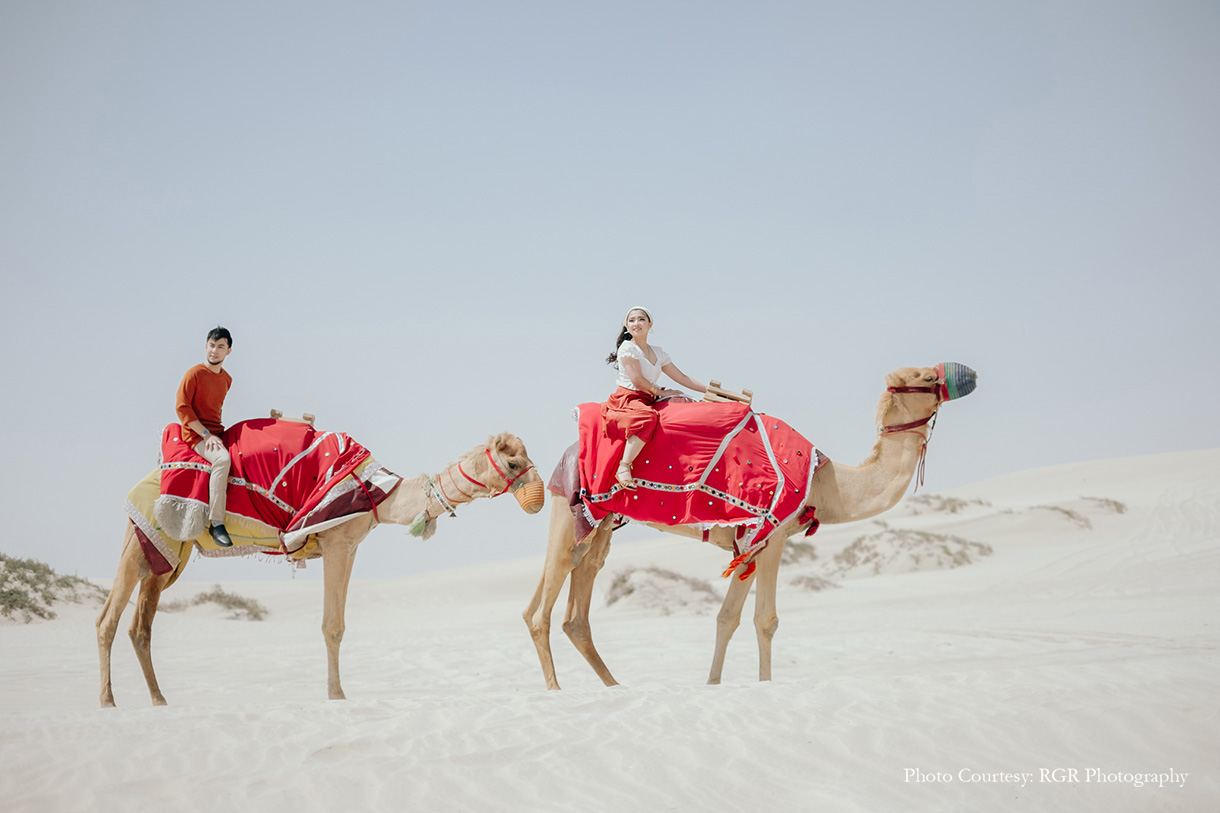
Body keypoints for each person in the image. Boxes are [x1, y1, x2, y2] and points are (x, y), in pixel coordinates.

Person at [602, 306, 707, 489]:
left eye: (641, 319)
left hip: (651, 395)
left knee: (684, 402)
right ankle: (624, 466)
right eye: (632, 320)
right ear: (626, 326)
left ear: (650, 324)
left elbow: (681, 377)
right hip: (630, 398)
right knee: (647, 418)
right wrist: (662, 392)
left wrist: (708, 389)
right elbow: (638, 380)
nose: (637, 324)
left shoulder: (658, 352)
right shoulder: (627, 349)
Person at [176, 326, 235, 547]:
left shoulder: (227, 379)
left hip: (215, 431)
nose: (214, 351)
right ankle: (217, 522)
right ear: (206, 346)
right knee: (223, 459)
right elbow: (182, 408)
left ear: (228, 351)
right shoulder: (194, 374)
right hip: (196, 434)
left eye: (220, 347)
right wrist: (206, 434)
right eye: (212, 345)